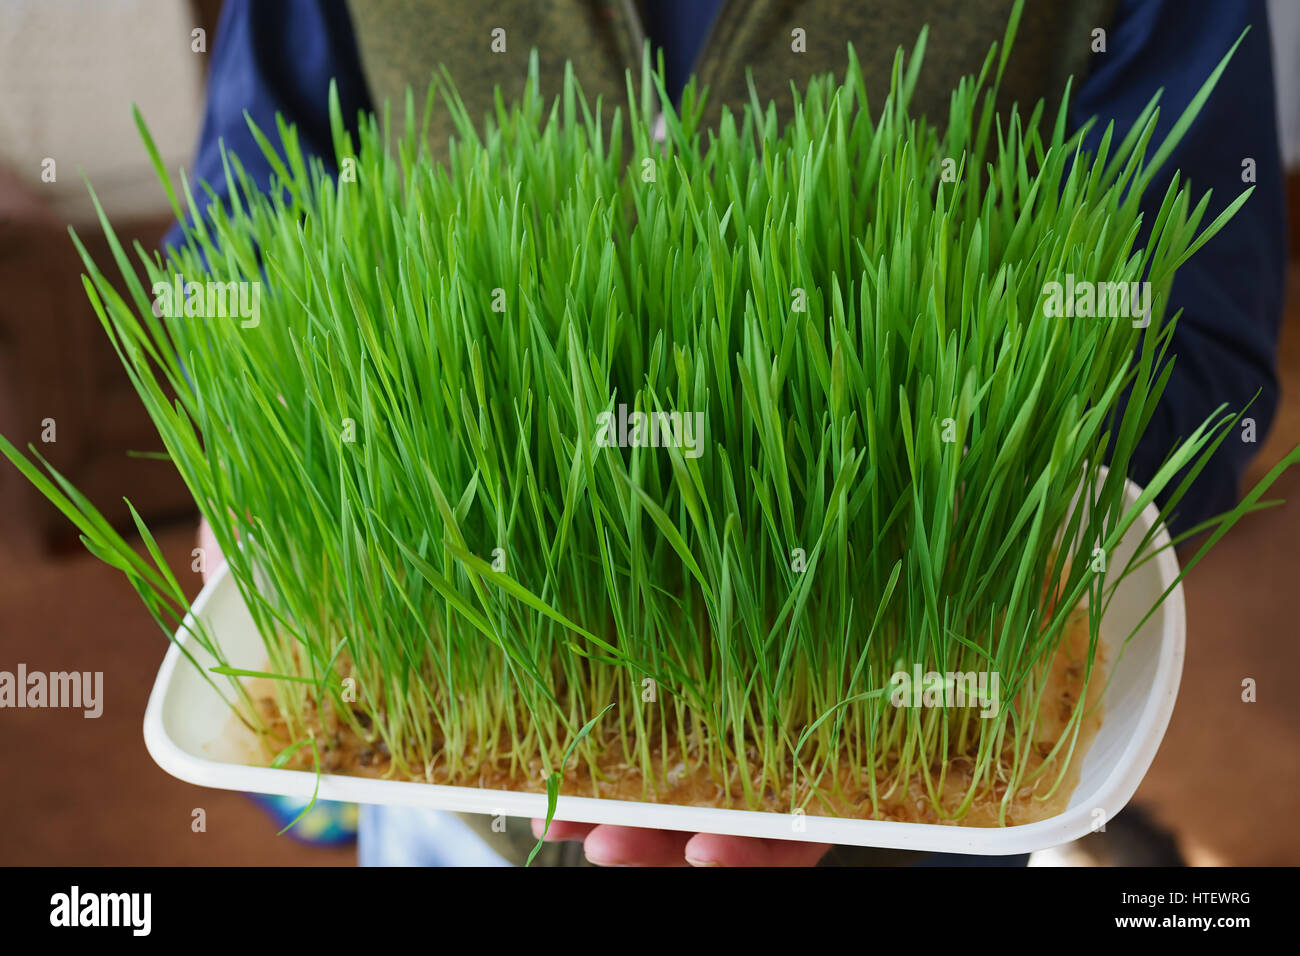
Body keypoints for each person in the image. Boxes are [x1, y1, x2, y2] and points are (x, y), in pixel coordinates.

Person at [178, 0, 1286, 866]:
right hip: (440, 797)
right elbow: (250, 223)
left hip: (912, 812)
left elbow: (1193, 325)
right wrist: (281, 483)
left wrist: (988, 579)